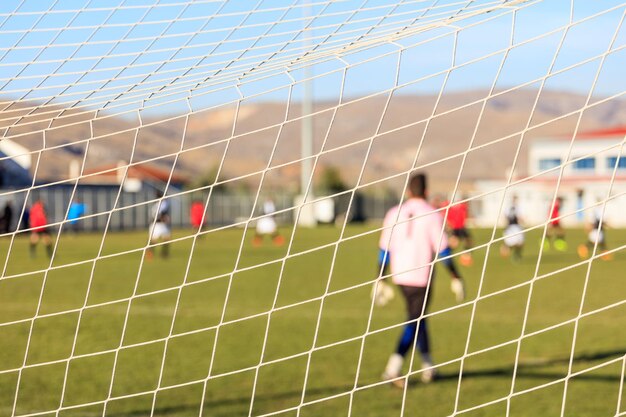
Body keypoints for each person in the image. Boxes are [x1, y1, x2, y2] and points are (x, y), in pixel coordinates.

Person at [375, 173, 465, 388]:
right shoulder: (432, 214)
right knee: (415, 320)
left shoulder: (393, 213)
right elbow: (443, 250)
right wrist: (456, 277)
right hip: (420, 277)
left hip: (399, 276)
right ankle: (392, 369)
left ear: (408, 191)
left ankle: (428, 366)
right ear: (426, 191)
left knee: (419, 318)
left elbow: (384, 250)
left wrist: (380, 278)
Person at [446, 197, 473, 266]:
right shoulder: (454, 208)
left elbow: (465, 215)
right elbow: (449, 219)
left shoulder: (462, 207)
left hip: (461, 228)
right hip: (456, 228)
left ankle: (465, 254)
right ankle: (446, 255)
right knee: (454, 244)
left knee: (469, 241)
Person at [147, 191, 171, 259]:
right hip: (159, 224)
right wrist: (164, 218)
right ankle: (163, 254)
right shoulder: (163, 203)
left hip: (154, 224)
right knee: (166, 238)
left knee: (157, 239)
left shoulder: (155, 204)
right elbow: (161, 213)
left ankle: (152, 253)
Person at [501, 195, 525, 262]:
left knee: (520, 243)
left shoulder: (518, 207)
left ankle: (516, 255)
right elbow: (505, 217)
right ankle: (507, 250)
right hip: (511, 227)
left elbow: (520, 217)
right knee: (511, 243)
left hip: (517, 227)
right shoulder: (508, 207)